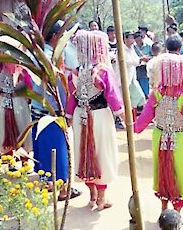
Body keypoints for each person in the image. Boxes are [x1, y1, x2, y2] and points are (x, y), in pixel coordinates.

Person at [134, 36, 183, 216]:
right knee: (181, 175)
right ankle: (177, 214)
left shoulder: (156, 95)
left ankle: (164, 209)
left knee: (162, 173)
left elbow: (143, 120)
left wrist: (133, 128)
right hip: (181, 139)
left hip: (160, 137)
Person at [65, 30, 125, 211]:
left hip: (80, 117)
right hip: (99, 116)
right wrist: (123, 117)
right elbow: (113, 97)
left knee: (84, 153)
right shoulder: (103, 71)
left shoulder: (74, 73)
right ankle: (101, 198)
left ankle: (91, 196)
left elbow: (71, 99)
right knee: (102, 154)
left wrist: (68, 117)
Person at [29, 23, 82, 200]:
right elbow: (60, 86)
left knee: (43, 149)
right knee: (59, 150)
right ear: (54, 36)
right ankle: (65, 189)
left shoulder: (36, 53)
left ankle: (48, 182)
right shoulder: (52, 56)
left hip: (38, 109)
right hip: (52, 111)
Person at [0, 36, 33, 156]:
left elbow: (29, 87)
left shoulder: (22, 70)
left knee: (21, 128)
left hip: (18, 102)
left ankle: (24, 160)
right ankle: (10, 159)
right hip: (5, 102)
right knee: (5, 130)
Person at [133, 31, 152, 98]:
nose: (138, 41)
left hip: (145, 69)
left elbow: (153, 56)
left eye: (139, 40)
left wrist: (148, 59)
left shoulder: (148, 46)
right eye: (137, 40)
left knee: (145, 84)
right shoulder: (133, 48)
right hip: (137, 69)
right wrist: (140, 59)